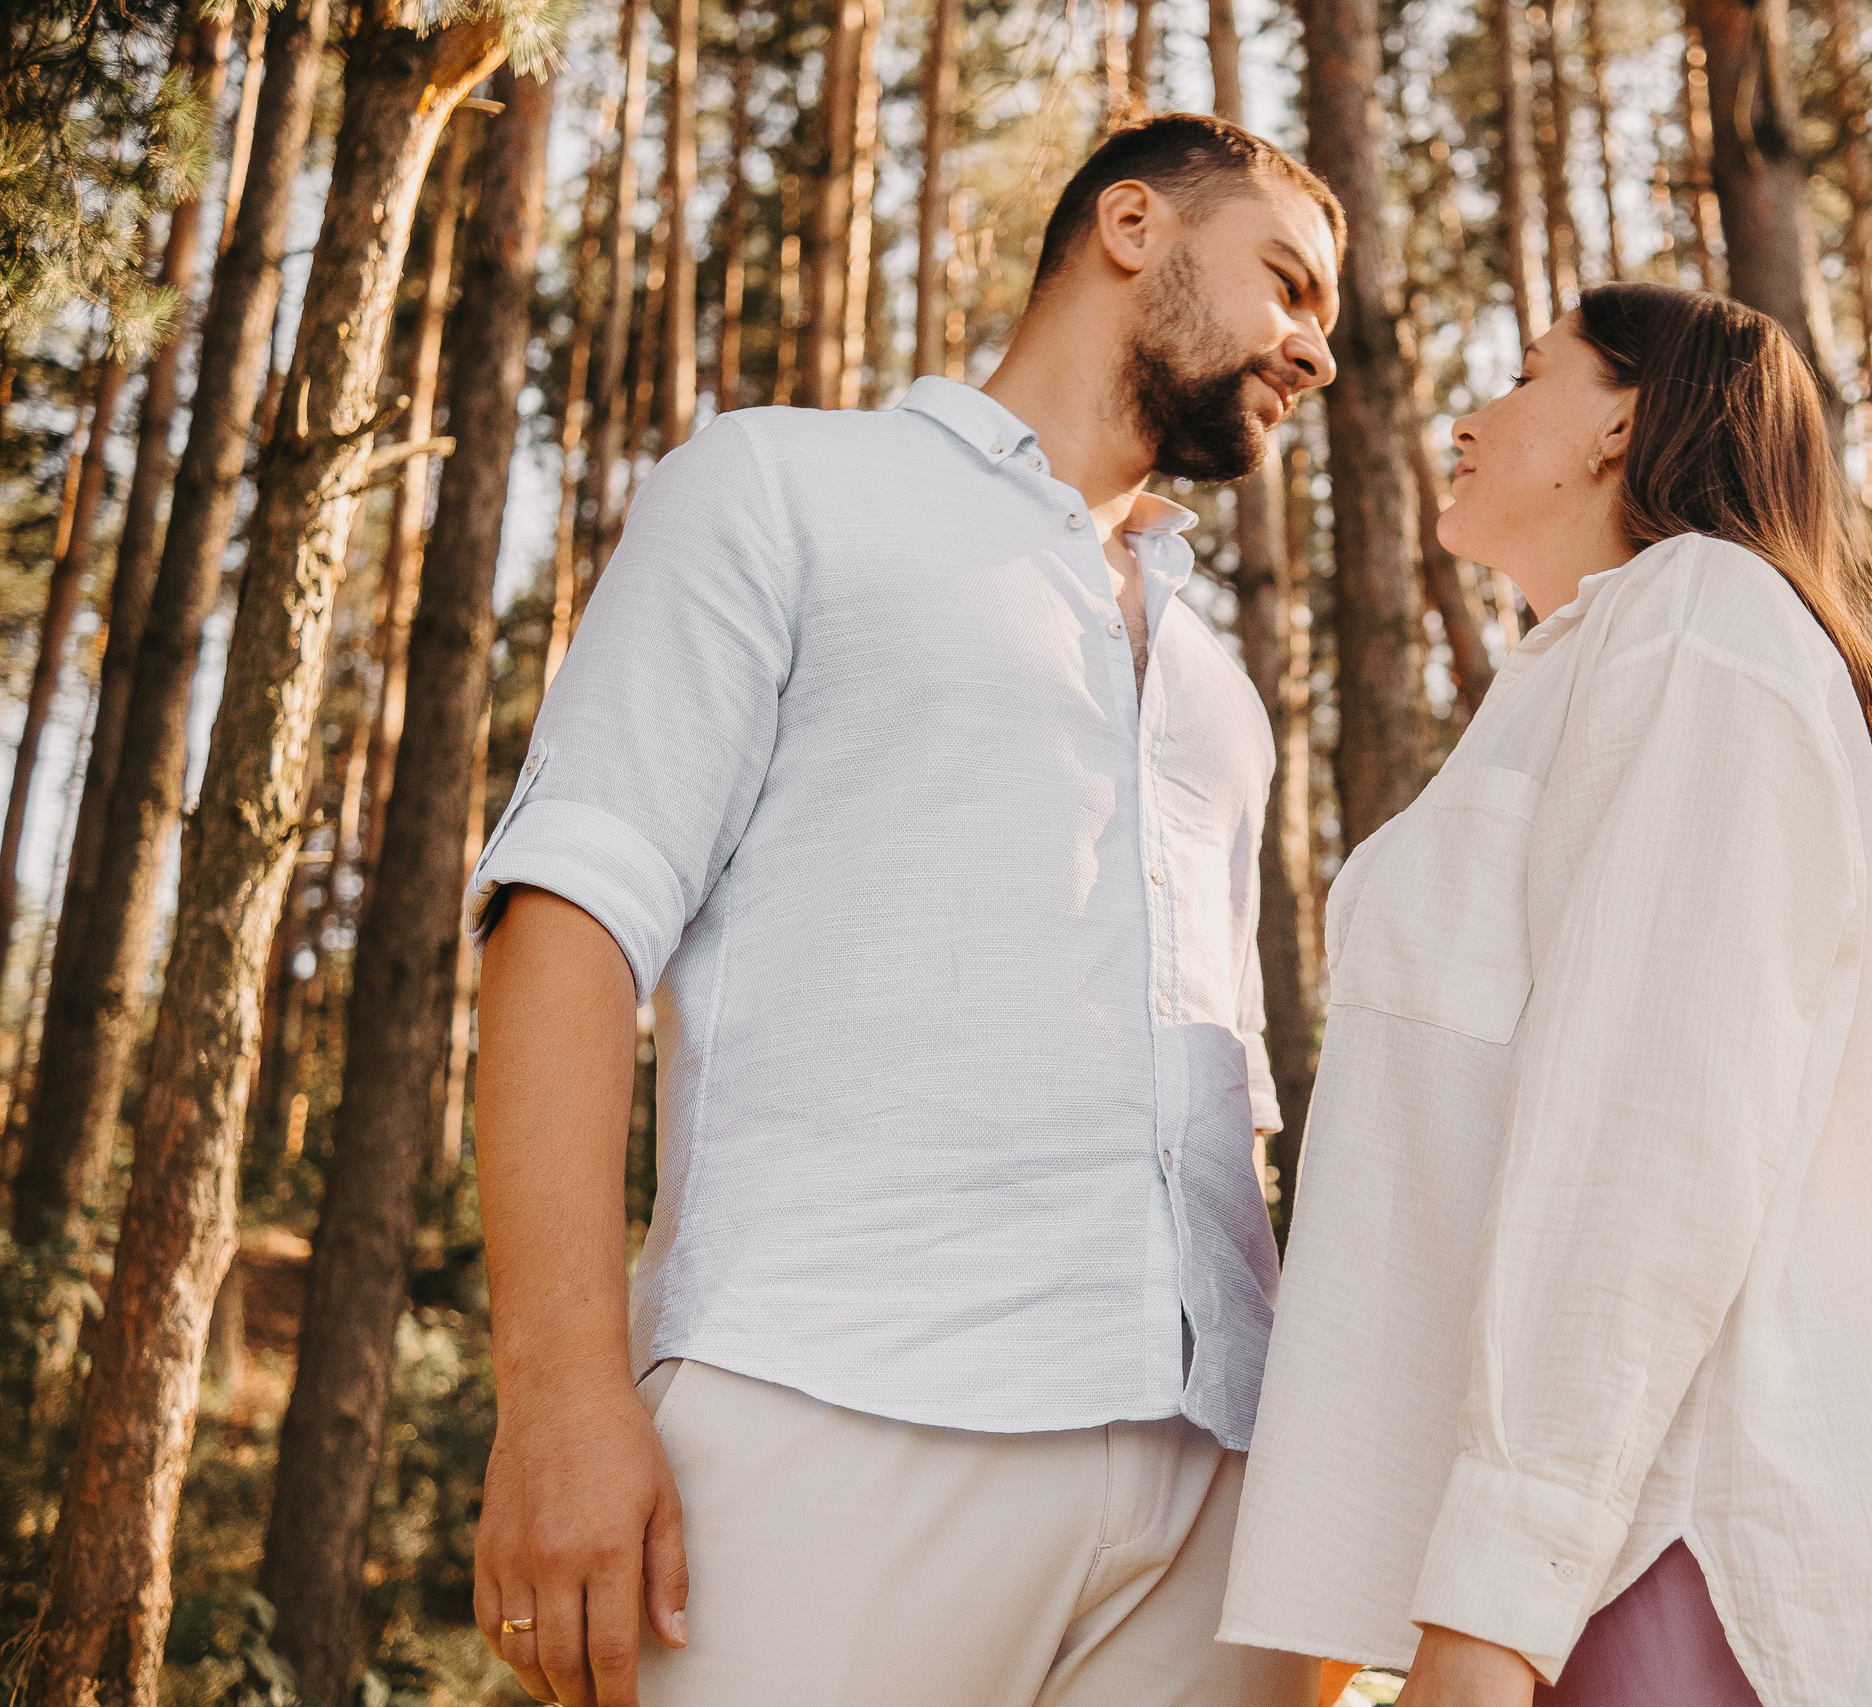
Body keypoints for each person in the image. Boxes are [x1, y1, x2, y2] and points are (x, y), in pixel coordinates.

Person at [465, 113, 1337, 1707]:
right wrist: (560, 1397)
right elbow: (566, 929)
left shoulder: (1223, 691)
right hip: (836, 1407)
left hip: (1216, 1490)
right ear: (1131, 226)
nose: (1314, 352)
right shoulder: (783, 484)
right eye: (1290, 284)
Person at [1218, 284, 1872, 1707]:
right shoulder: (1575, 671)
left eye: (1526, 371)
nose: (1466, 419)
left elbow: (1653, 1123)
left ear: (1625, 418)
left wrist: (1489, 1613)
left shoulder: (1699, 615)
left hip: (1664, 1543)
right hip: (1562, 1559)